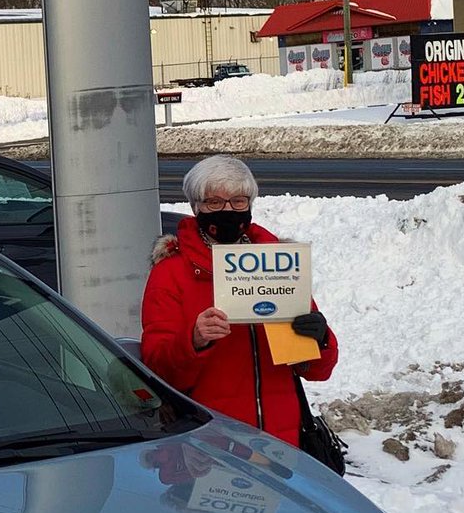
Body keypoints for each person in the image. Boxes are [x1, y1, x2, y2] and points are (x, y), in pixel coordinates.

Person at [140, 155, 338, 447]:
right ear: (196, 207)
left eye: (238, 201)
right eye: (214, 202)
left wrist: (319, 339)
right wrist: (193, 341)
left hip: (281, 440)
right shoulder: (171, 271)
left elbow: (316, 371)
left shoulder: (277, 263)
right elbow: (157, 370)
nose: (227, 210)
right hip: (210, 442)